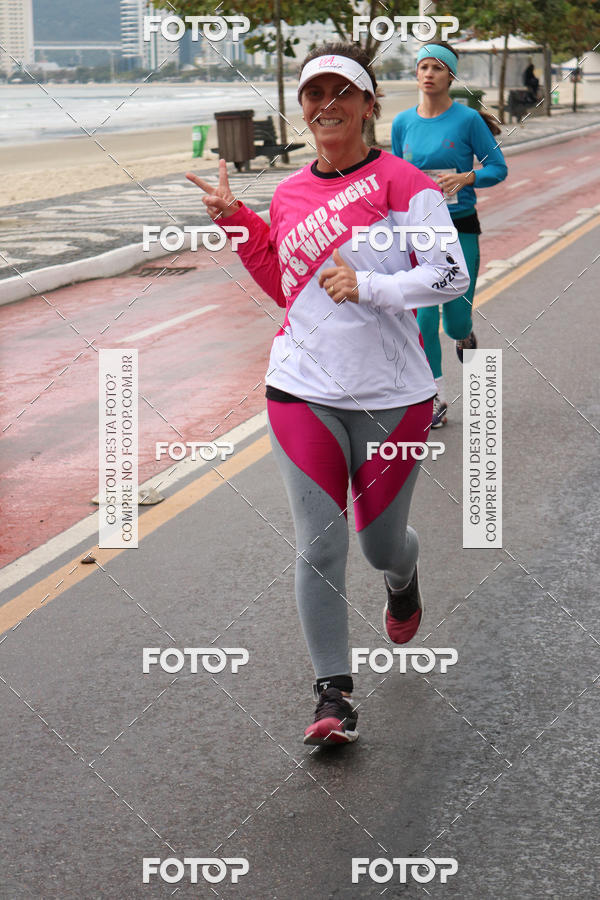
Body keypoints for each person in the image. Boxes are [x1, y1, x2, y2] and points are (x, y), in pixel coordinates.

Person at [188, 42, 469, 746]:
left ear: (369, 106)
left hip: (393, 394)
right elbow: (287, 286)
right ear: (304, 108)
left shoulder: (406, 185)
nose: (327, 105)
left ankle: (403, 578)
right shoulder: (289, 194)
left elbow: (450, 276)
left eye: (343, 92)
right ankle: (333, 694)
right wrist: (238, 221)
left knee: (379, 544)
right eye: (315, 94)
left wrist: (369, 285)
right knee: (320, 544)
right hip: (301, 387)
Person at [392, 42, 507, 428]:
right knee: (423, 319)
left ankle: (465, 335)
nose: (429, 74)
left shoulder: (468, 120)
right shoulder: (402, 123)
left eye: (437, 68)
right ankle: (434, 397)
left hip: (460, 226)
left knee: (454, 322)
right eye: (423, 66)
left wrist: (466, 177)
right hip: (421, 232)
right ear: (416, 73)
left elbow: (498, 168)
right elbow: (397, 179)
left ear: (451, 76)